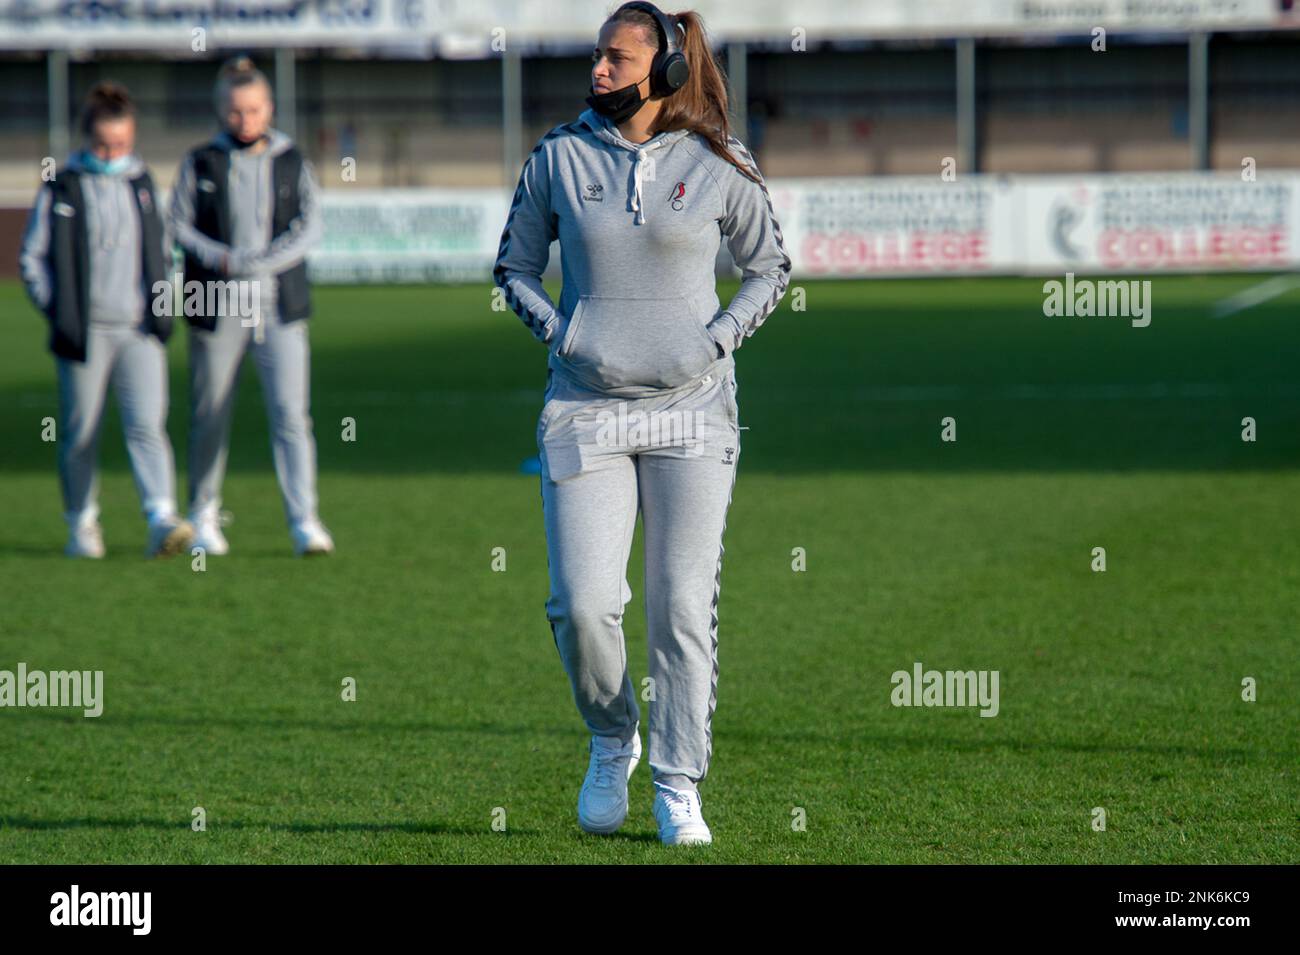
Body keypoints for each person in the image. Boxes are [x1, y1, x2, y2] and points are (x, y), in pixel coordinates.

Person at [493, 2, 791, 845]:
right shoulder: (557, 156)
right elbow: (513, 267)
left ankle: (676, 780)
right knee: (582, 606)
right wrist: (567, 334)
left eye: (616, 59)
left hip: (694, 414)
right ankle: (611, 734)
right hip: (584, 409)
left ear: (663, 70)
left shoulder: (720, 160)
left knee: (680, 605)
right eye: (596, 56)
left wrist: (717, 341)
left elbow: (771, 266)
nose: (598, 70)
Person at [18, 82, 194, 559]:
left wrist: (162, 305)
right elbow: (32, 258)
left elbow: (162, 254)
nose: (113, 152)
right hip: (85, 334)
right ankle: (82, 523)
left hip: (139, 331)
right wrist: (60, 310)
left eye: (122, 144)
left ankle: (160, 517)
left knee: (148, 425)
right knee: (80, 432)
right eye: (103, 144)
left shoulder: (141, 184)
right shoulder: (63, 185)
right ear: (86, 138)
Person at [168, 55, 334, 557]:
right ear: (222, 110)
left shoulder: (292, 159)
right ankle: (203, 516)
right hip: (217, 305)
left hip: (280, 309)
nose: (245, 120)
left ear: (270, 108)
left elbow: (309, 226)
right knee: (209, 414)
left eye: (255, 110)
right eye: (236, 111)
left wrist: (264, 261)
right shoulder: (200, 162)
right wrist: (219, 257)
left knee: (291, 416)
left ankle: (304, 521)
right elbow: (177, 223)